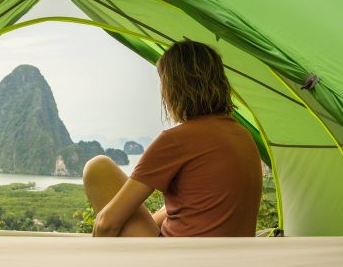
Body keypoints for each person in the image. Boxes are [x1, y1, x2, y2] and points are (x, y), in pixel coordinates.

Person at [84, 40, 263, 237]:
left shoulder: (179, 139)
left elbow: (106, 225)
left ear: (174, 88)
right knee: (156, 212)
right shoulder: (242, 136)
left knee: (97, 167)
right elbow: (185, 210)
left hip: (178, 261)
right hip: (235, 258)